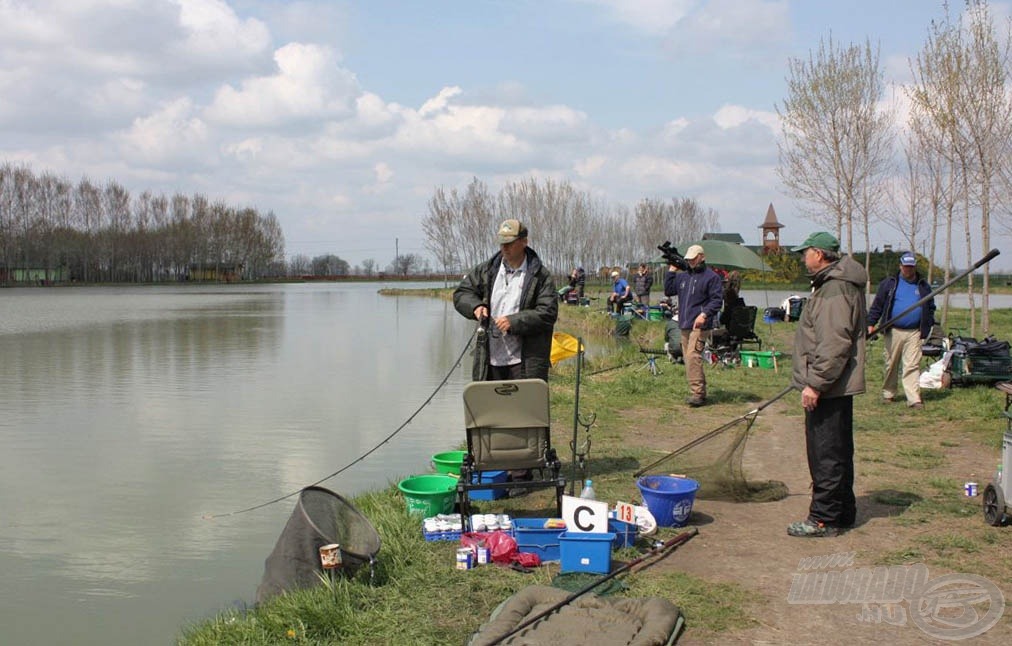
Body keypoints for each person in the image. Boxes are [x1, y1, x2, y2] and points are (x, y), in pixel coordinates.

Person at [789, 232, 867, 538]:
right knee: (837, 450)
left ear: (819, 254)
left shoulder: (835, 288)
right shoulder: (833, 284)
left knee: (826, 453)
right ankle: (843, 512)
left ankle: (823, 518)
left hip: (830, 386)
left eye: (805, 252)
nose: (802, 258)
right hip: (835, 384)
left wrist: (816, 384)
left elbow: (834, 343)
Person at [453, 219, 558, 382]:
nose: (504, 247)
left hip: (524, 362)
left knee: (522, 408)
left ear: (524, 242)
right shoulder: (486, 270)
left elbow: (548, 313)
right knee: (490, 407)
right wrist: (476, 307)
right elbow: (462, 293)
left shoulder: (541, 276)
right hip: (489, 360)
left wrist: (513, 322)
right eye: (502, 243)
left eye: (510, 243)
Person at [867, 251, 935, 409]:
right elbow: (877, 305)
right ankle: (889, 393)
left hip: (914, 332)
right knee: (891, 363)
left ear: (915, 267)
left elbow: (930, 307)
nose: (908, 270)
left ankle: (914, 399)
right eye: (905, 266)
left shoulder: (923, 286)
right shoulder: (889, 284)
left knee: (912, 365)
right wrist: (871, 323)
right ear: (900, 266)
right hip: (894, 330)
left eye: (911, 267)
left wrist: (928, 324)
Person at [663, 245, 723, 406]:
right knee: (689, 358)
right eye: (688, 259)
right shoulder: (683, 277)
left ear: (701, 257)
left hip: (701, 325)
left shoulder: (711, 277)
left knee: (693, 356)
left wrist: (704, 314)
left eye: (693, 258)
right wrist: (671, 270)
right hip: (684, 323)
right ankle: (699, 391)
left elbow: (717, 300)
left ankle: (697, 394)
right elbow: (668, 290)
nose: (690, 261)